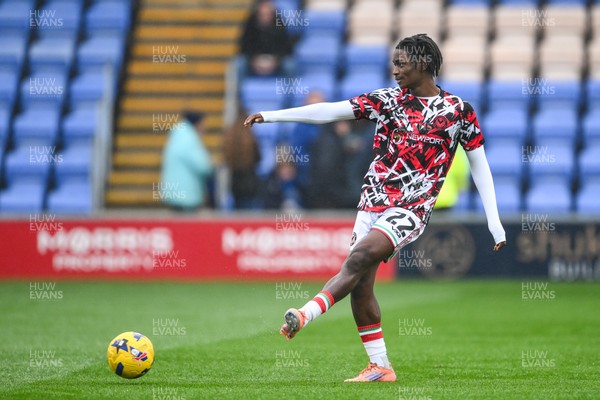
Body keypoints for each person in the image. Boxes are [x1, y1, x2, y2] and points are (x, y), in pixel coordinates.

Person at [244, 33, 507, 382]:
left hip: (411, 208)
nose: (394, 69)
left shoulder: (459, 111)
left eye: (401, 63)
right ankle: (380, 366)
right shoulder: (386, 100)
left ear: (423, 64)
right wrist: (271, 115)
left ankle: (305, 314)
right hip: (371, 202)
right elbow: (329, 111)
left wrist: (495, 222)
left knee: (358, 258)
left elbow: (480, 166)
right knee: (361, 282)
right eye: (393, 62)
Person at [160, 112, 213, 212]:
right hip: (187, 195)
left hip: (173, 193)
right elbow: (204, 166)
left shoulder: (177, 135)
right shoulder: (189, 139)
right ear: (197, 124)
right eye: (203, 124)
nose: (204, 128)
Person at [238, 0, 294, 77]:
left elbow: (287, 47)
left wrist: (276, 60)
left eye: (268, 14)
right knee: (239, 64)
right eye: (263, 14)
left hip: (276, 60)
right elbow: (244, 46)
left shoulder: (280, 23)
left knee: (289, 65)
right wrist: (253, 60)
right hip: (254, 61)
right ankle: (236, 89)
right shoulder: (250, 24)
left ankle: (291, 88)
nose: (265, 16)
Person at [223, 109, 261, 209]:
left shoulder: (229, 139)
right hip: (250, 183)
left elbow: (226, 159)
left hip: (235, 183)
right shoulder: (251, 138)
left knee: (238, 213)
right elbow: (258, 158)